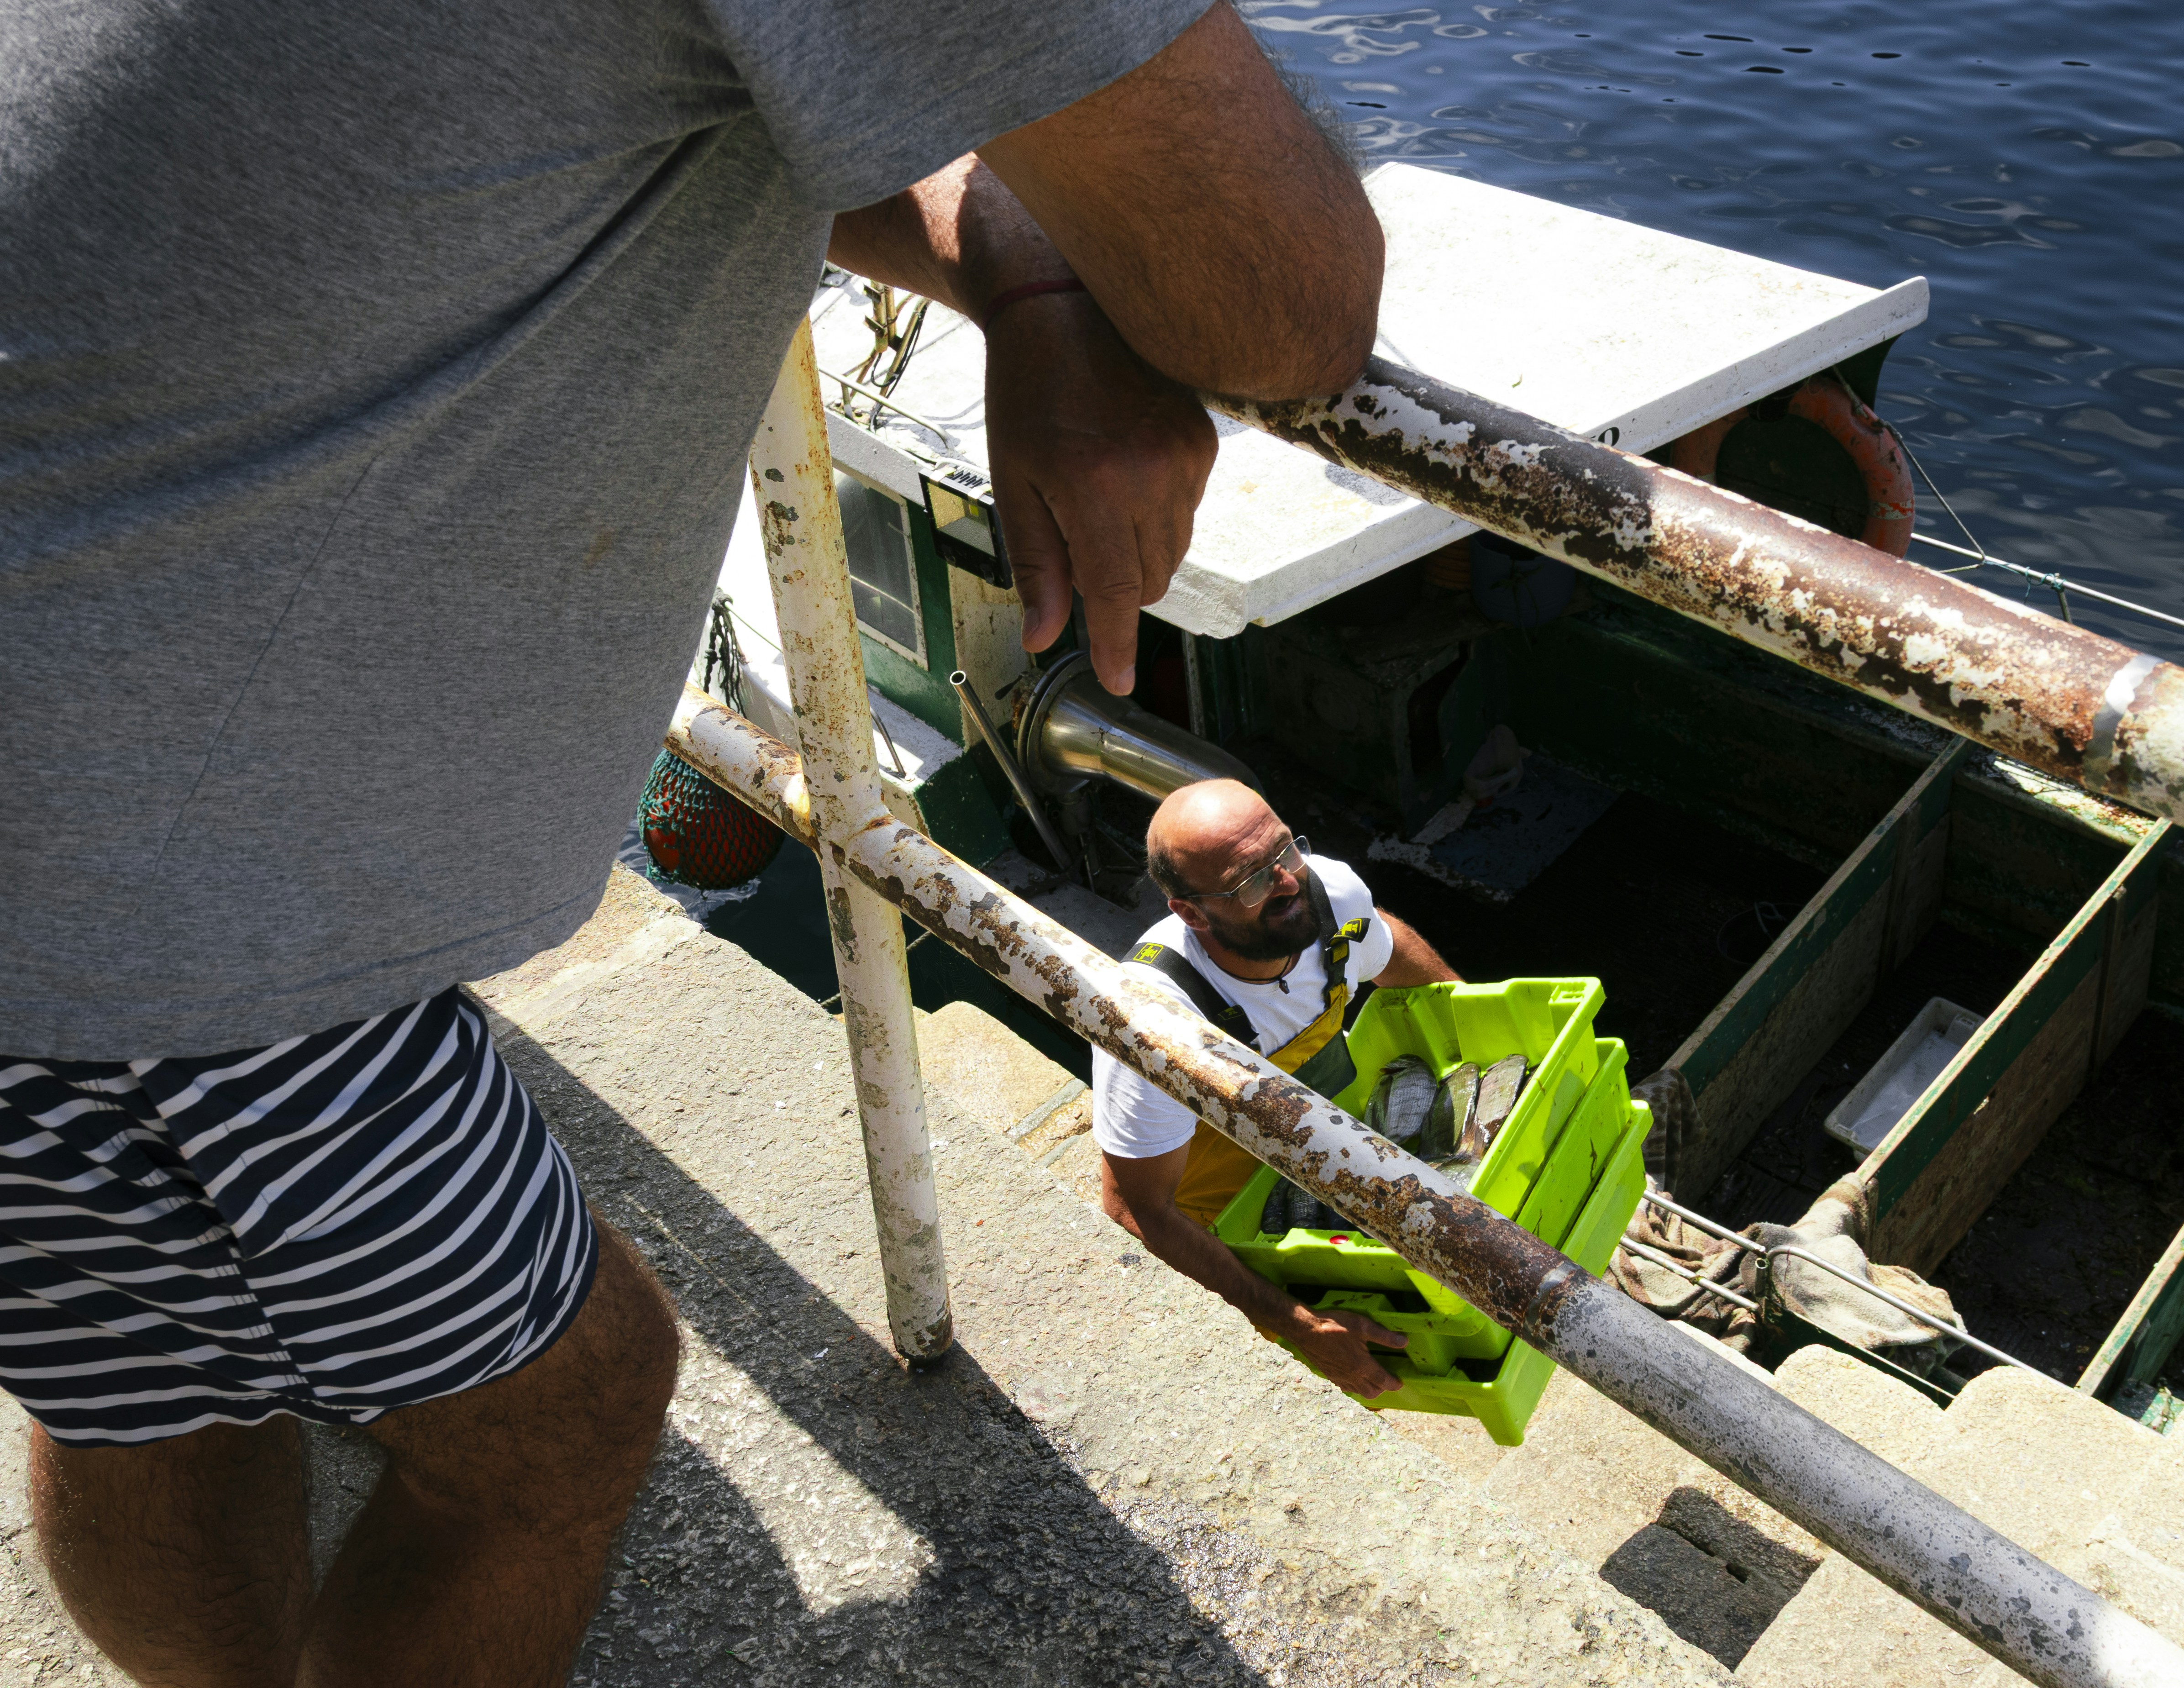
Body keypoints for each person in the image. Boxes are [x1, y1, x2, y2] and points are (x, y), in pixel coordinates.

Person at [0, 1, 1384, 1681]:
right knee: (560, 1423)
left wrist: (1020, 263)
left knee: (150, 1382)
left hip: (92, 768)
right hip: (154, 873)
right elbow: (1286, 301)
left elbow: (656, 110)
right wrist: (1060, 256)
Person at [1092, 780, 1460, 1401]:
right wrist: (1296, 1323)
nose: (1288, 880)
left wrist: (1482, 1040)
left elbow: (1392, 952)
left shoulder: (1325, 891)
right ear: (1191, 911)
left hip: (1317, 1174)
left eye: (1285, 852)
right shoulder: (1157, 1020)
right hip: (1219, 1242)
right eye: (1249, 882)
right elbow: (1135, 1209)